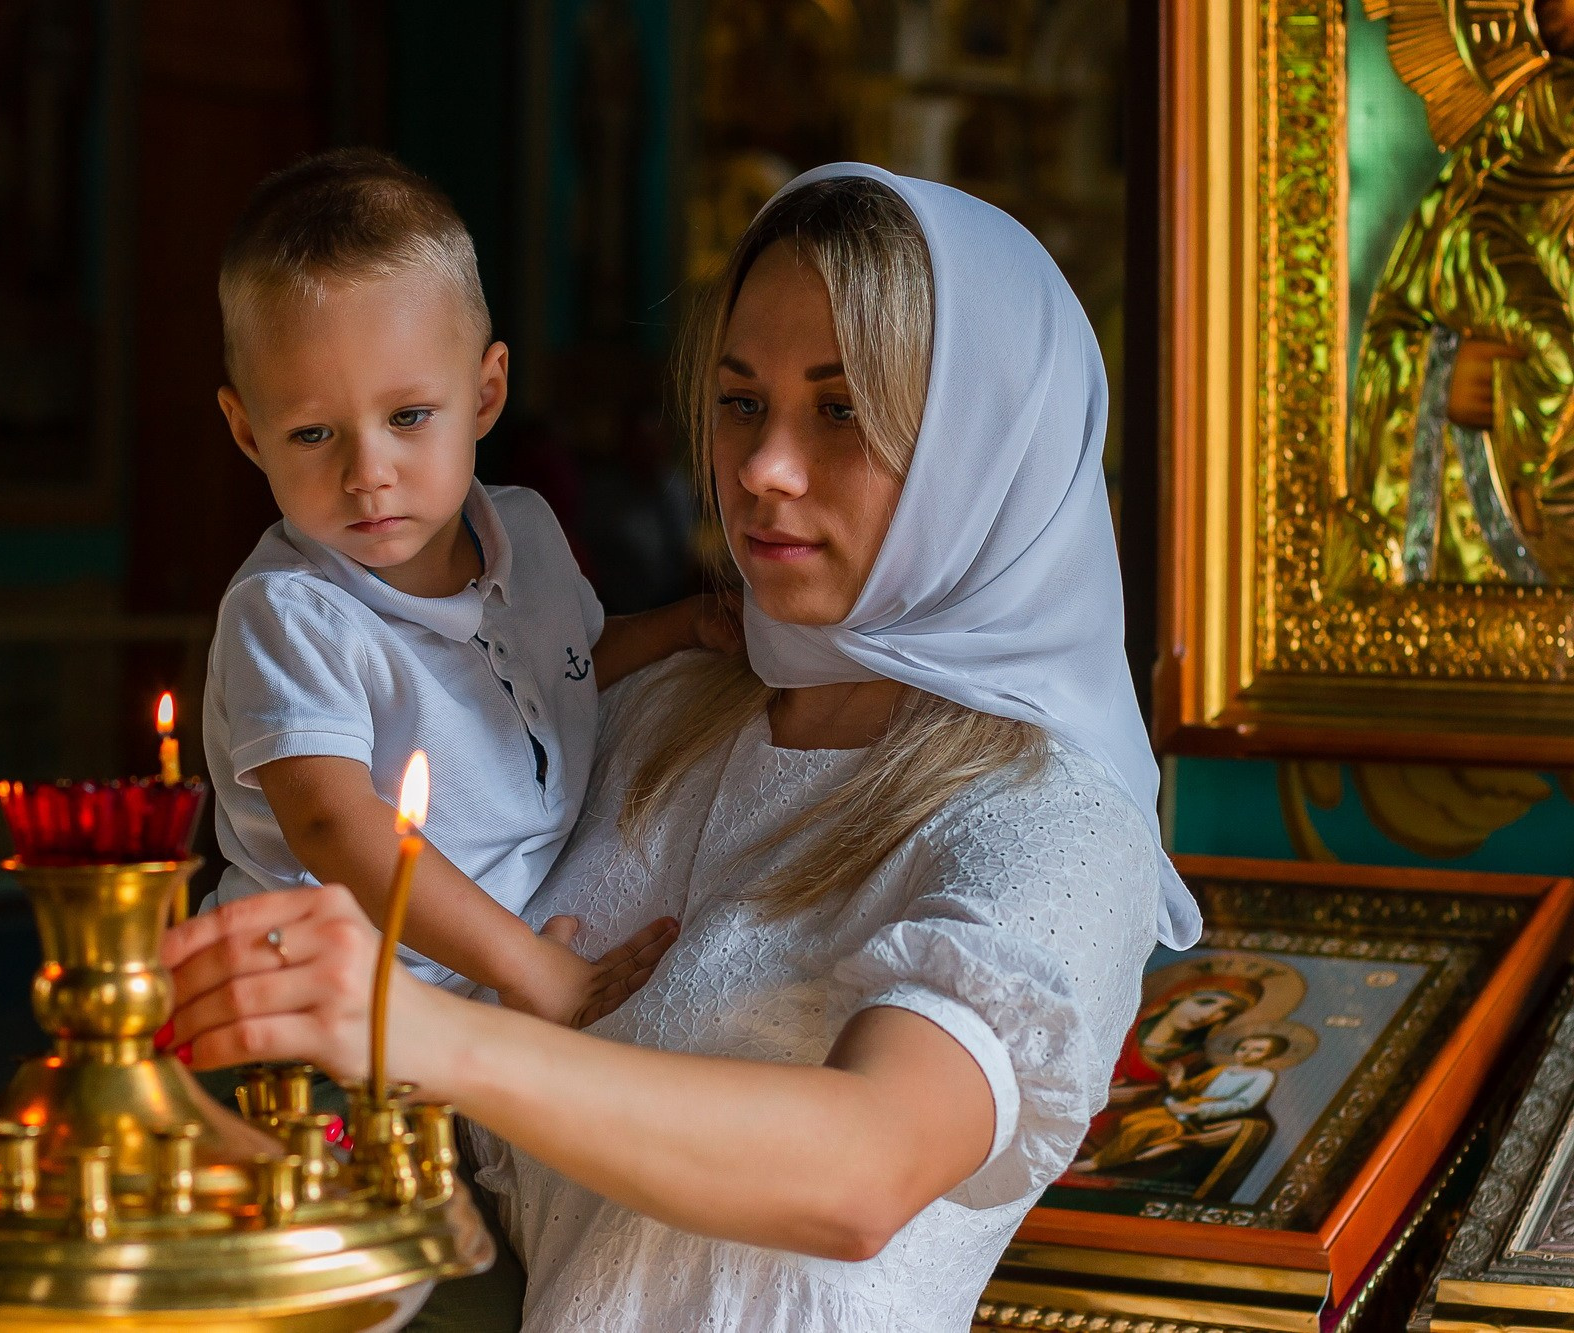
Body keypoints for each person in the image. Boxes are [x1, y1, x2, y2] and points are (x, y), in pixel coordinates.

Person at [163, 162, 1202, 1331]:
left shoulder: (1049, 819)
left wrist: (429, 1033)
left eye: (841, 407)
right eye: (740, 401)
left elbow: (862, 1172)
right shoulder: (666, 714)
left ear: (984, 445)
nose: (760, 468)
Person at [198, 150, 724, 1029]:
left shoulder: (527, 530)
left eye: (408, 417)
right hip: (316, 1016)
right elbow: (334, 827)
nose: (369, 473)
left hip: (468, 998)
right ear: (248, 433)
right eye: (313, 433)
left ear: (485, 394)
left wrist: (687, 624)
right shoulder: (289, 613)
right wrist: (531, 969)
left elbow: (572, 665)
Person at [1073, 1032, 1287, 1179]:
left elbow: (1242, 1104)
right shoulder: (1222, 1070)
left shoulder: (1263, 1076)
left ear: (1270, 1055)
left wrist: (1198, 1110)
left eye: (1257, 1050)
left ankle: (1099, 1162)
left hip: (1207, 1120)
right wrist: (1177, 1084)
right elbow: (1190, 1091)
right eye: (1243, 1047)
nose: (1247, 1052)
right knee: (1132, 1119)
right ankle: (1139, 1150)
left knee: (1144, 1128)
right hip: (1182, 1111)